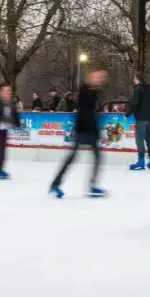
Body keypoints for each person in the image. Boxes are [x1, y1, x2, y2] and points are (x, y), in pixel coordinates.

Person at [49, 68, 108, 199]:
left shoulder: (95, 91)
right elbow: (85, 110)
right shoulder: (85, 89)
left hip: (90, 130)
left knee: (97, 158)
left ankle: (92, 186)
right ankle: (55, 184)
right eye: (99, 76)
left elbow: (93, 112)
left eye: (102, 77)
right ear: (92, 76)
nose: (101, 79)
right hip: (83, 129)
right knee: (72, 158)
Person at [0, 83, 21, 180]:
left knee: (3, 149)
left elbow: (15, 115)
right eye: (5, 90)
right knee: (1, 148)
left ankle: (1, 169)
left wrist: (17, 123)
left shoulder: (12, 103)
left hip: (4, 129)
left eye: (9, 91)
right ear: (1, 92)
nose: (7, 92)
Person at [127, 73, 150, 171]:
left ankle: (141, 162)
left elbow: (135, 103)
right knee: (149, 139)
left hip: (141, 118)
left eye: (134, 78)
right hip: (149, 118)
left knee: (139, 139)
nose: (133, 80)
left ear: (137, 78)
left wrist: (127, 114)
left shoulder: (137, 89)